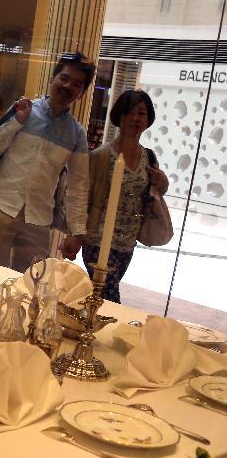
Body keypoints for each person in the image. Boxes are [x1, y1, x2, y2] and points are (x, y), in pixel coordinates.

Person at [0, 52, 97, 272]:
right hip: (0, 207)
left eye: (76, 84)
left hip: (39, 219)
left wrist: (76, 232)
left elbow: (78, 186)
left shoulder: (76, 134)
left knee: (31, 281)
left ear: (81, 93)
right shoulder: (24, 109)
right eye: (64, 78)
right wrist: (17, 121)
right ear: (53, 79)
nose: (67, 86)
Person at [61, 90, 168, 302]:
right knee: (109, 299)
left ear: (149, 119)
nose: (135, 118)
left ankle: (83, 328)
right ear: (119, 116)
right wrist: (76, 235)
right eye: (129, 112)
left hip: (127, 243)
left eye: (141, 113)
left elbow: (151, 194)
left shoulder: (149, 157)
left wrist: (163, 184)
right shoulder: (101, 156)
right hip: (98, 241)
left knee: (98, 297)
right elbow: (82, 198)